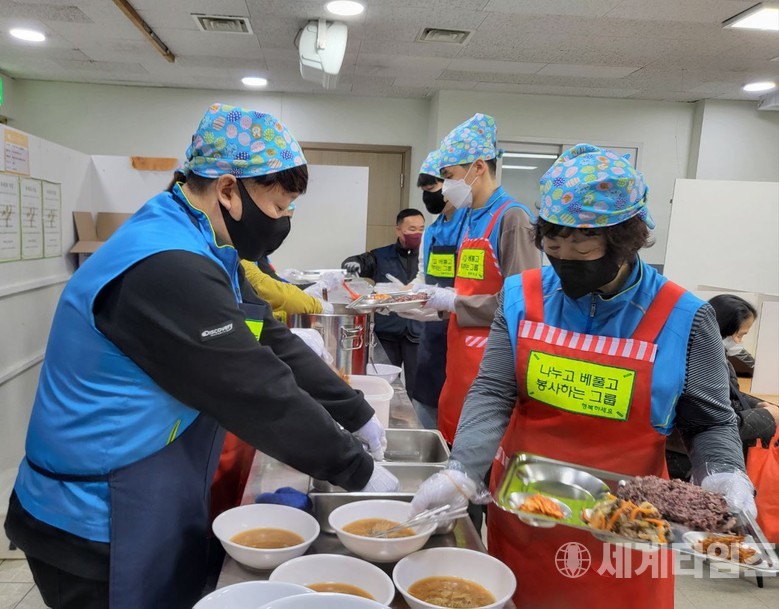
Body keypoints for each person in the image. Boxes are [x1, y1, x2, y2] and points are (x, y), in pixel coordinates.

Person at [4, 103, 398, 609]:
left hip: (144, 486)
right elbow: (253, 388)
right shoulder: (165, 264)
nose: (283, 222)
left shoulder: (206, 243)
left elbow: (268, 338)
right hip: (93, 515)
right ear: (229, 189)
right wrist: (357, 470)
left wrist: (356, 412)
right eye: (278, 207)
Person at [410, 144, 755, 609]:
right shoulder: (520, 297)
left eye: (583, 246)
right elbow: (492, 391)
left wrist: (723, 473)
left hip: (630, 527)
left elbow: (709, 421)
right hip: (528, 515)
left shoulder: (683, 316)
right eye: (553, 245)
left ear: (624, 239)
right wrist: (462, 471)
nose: (566, 258)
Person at [419, 113, 540, 444]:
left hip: (491, 364)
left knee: (480, 449)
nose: (446, 187)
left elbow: (522, 304)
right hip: (459, 361)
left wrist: (454, 303)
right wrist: (434, 308)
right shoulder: (470, 218)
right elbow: (469, 288)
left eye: (449, 176)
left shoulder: (512, 218)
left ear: (478, 167)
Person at [666, 294, 778, 479]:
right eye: (740, 335)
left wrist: (757, 404)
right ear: (723, 328)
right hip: (689, 460)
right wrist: (767, 417)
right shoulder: (698, 364)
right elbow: (717, 423)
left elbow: (727, 394)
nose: (740, 342)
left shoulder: (709, 356)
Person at [399, 150, 468, 429]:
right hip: (433, 335)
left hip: (465, 330)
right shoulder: (432, 231)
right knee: (426, 409)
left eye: (433, 188)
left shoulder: (472, 227)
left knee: (460, 418)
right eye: (424, 191)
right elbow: (422, 275)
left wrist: (448, 301)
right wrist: (400, 296)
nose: (429, 197)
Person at [342, 208, 426, 397]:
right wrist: (352, 264)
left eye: (421, 229)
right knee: (384, 385)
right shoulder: (381, 255)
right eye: (412, 229)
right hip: (387, 331)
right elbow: (359, 262)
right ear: (398, 230)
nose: (417, 234)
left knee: (418, 387)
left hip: (418, 332)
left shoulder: (427, 257)